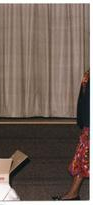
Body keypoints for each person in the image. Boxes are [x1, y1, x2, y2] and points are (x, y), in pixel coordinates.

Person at [52, 70, 90, 200]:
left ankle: (73, 194)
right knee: (81, 160)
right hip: (88, 126)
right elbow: (84, 100)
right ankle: (73, 193)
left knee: (82, 159)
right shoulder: (88, 74)